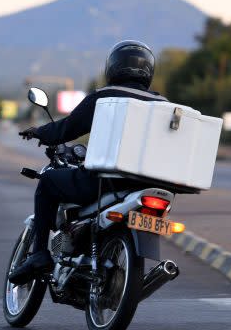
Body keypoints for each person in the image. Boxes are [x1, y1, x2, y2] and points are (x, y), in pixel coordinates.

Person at [8, 39, 167, 285]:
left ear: (113, 67)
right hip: (141, 185)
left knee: (49, 181)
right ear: (148, 71)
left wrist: (40, 132)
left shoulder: (104, 97)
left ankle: (39, 253)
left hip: (103, 182)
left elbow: (68, 128)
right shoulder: (163, 105)